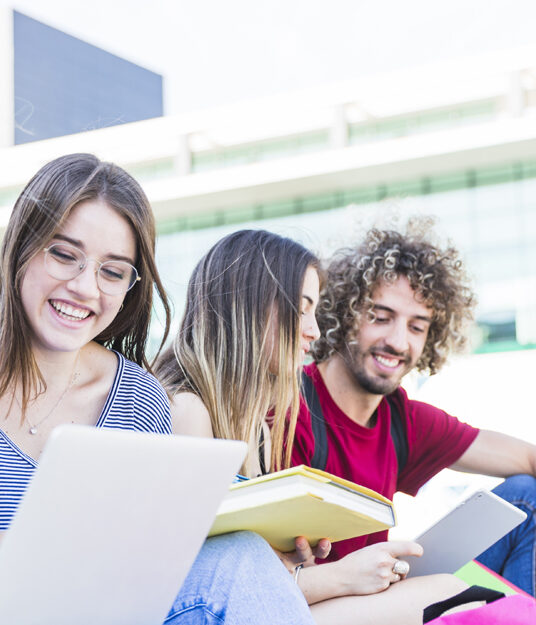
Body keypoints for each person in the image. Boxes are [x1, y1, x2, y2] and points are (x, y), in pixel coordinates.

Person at [0, 153, 315, 625]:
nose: (85, 287)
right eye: (64, 255)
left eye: (112, 272)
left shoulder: (137, 396)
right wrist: (56, 536)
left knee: (243, 560)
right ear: (21, 247)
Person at [289, 219, 536, 625]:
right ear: (344, 312)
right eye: (381, 316)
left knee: (530, 498)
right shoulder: (291, 408)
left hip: (386, 590)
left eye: (417, 326)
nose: (398, 341)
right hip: (320, 608)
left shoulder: (403, 419)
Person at [155, 229, 467, 624]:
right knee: (448, 594)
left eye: (314, 311)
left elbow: (259, 570)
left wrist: (292, 561)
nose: (314, 331)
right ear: (248, 306)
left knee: (451, 593)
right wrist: (339, 577)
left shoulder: (253, 423)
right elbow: (199, 583)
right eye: (300, 309)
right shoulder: (186, 409)